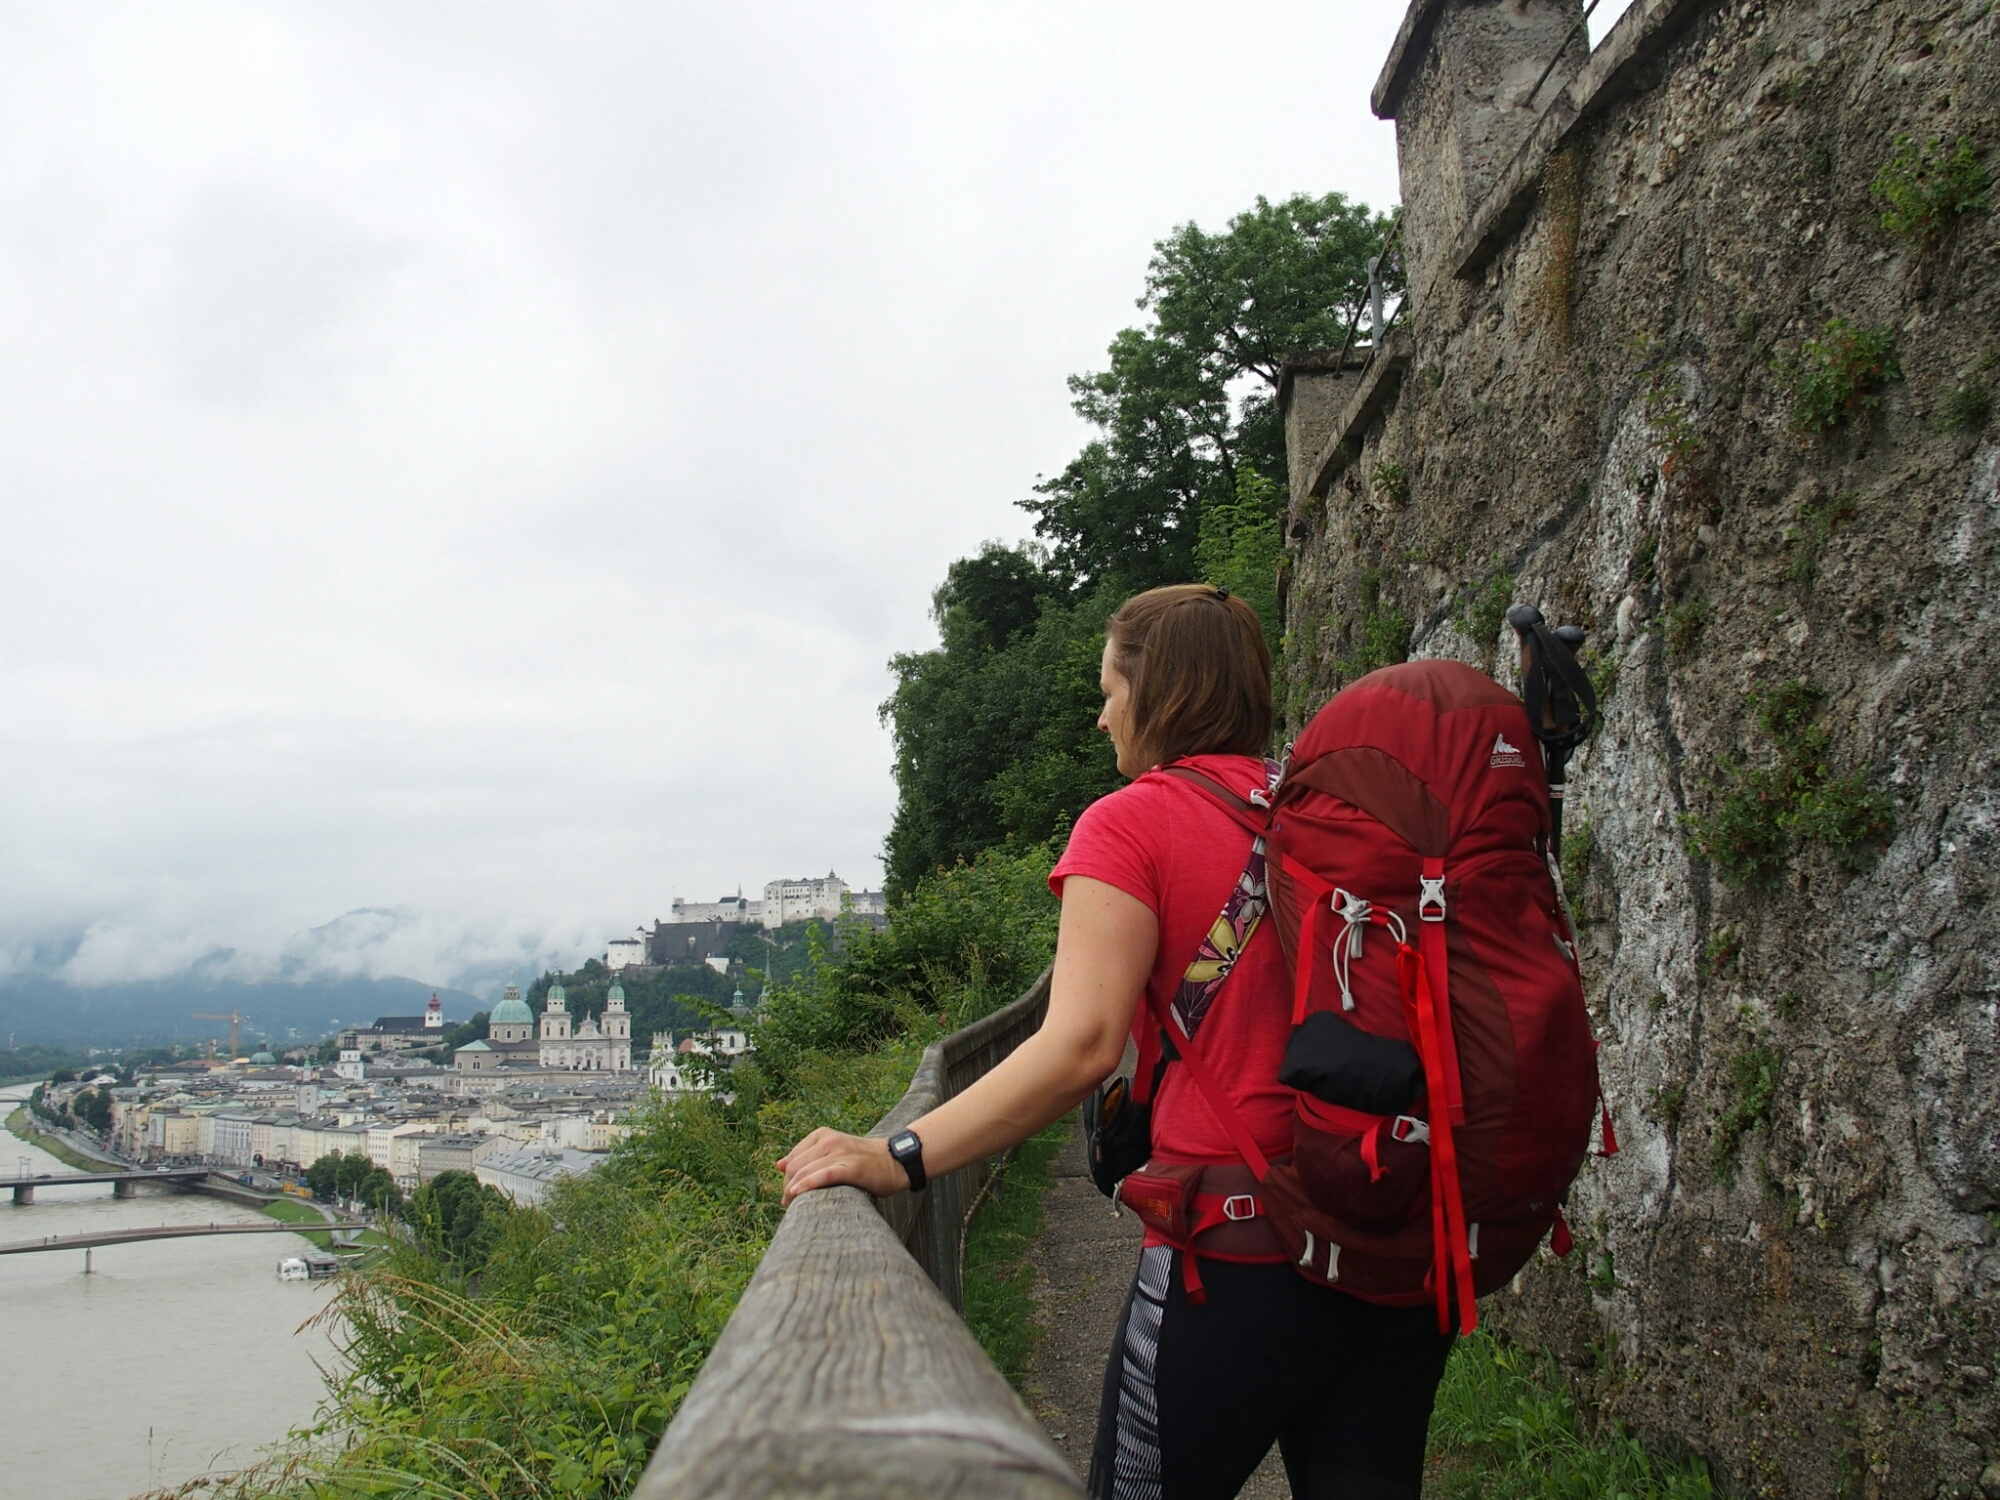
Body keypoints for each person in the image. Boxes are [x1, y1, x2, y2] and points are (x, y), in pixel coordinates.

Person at [778, 583, 1454, 1500]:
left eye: (1111, 691)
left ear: (1160, 692)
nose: (1102, 719)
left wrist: (898, 1155)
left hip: (1232, 1257)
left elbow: (1082, 1045)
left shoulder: (1131, 821)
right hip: (1389, 1249)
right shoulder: (1330, 813)